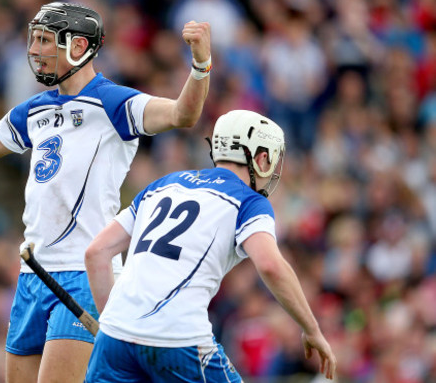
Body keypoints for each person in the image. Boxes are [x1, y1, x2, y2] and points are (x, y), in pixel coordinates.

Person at [0, 2, 211, 383]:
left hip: (85, 274)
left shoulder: (114, 103)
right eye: (34, 40)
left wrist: (200, 64)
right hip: (34, 273)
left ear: (78, 47)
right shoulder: (34, 109)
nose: (34, 50)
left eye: (45, 41)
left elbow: (182, 114)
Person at [84, 109, 337, 382]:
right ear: (261, 158)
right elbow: (270, 265)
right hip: (178, 337)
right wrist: (312, 329)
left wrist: (115, 324)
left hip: (114, 336)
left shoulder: (162, 185)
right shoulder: (249, 201)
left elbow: (96, 252)